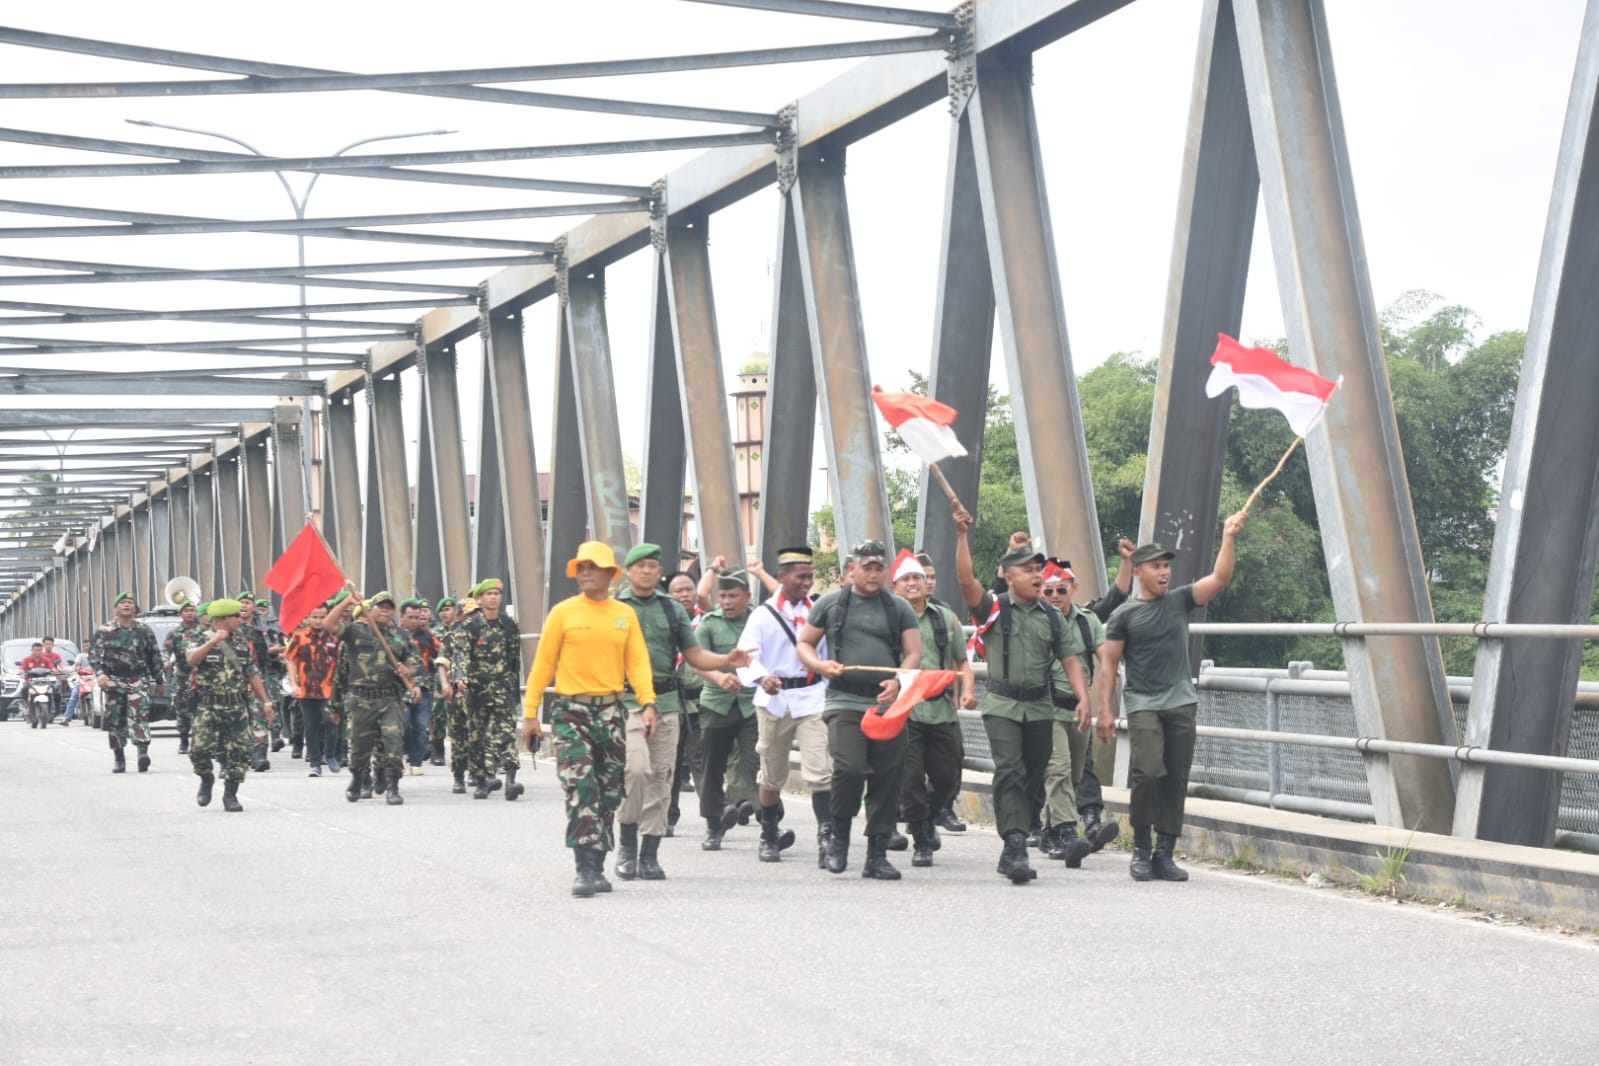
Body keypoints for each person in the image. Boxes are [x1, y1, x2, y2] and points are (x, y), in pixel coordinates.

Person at [1099, 514, 1246, 882]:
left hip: (1180, 699)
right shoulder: (1124, 615)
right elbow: (1109, 664)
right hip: (1143, 702)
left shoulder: (1180, 600)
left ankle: (1165, 852)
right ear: (1138, 572)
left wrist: (1228, 537)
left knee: (1175, 777)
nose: (1164, 572)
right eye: (1156, 566)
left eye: (1167, 566)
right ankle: (1140, 848)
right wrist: (1105, 710)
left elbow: (1220, 579)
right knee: (1148, 771)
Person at [953, 507, 1091, 885]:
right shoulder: (995, 610)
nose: (1037, 575)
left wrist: (1084, 699)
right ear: (1009, 577)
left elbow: (1071, 659)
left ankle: (1023, 830)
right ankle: (1015, 844)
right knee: (1010, 770)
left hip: (1040, 706)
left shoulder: (1051, 615)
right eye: (1028, 570)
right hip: (1003, 706)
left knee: (1033, 774)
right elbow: (966, 580)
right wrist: (962, 535)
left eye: (1038, 569)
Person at [520, 541, 657, 898]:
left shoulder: (624, 615)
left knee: (609, 790)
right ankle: (584, 869)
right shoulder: (563, 613)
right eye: (580, 567)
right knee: (581, 787)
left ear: (610, 574)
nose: (584, 573)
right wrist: (530, 714)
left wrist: (648, 703)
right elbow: (543, 666)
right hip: (571, 712)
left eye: (591, 567)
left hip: (612, 711)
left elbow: (637, 663)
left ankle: (598, 863)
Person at [613, 545, 749, 881]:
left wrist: (725, 661)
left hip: (667, 703)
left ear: (659, 572)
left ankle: (649, 853)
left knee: (661, 777)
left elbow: (694, 654)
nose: (647, 571)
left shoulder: (672, 609)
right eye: (640, 565)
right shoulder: (614, 607)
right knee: (636, 771)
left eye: (653, 566)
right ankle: (627, 845)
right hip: (626, 703)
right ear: (628, 571)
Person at [797, 540, 923, 881]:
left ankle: (877, 854)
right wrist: (821, 666)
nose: (872, 573)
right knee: (849, 768)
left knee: (887, 776)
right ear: (851, 569)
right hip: (844, 700)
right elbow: (804, 643)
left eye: (878, 567)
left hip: (888, 704)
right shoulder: (831, 604)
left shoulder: (898, 608)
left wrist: (899, 680)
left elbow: (913, 653)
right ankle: (839, 836)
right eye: (866, 566)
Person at [735, 547, 836, 866]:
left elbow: (828, 650)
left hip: (811, 698)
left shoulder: (818, 611)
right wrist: (762, 677)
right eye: (800, 576)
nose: (807, 582)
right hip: (774, 702)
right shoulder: (762, 616)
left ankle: (826, 836)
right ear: (782, 577)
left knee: (820, 772)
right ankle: (768, 831)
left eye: (810, 576)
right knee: (772, 775)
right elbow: (745, 657)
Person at [1038, 543, 1135, 862]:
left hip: (1077, 707)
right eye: (1047, 590)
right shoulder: (1035, 620)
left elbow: (1106, 657)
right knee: (1059, 768)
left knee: (1076, 774)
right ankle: (1068, 832)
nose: (1054, 596)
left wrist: (1105, 703)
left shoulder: (1086, 620)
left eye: (1060, 590)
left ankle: (1050, 830)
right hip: (1044, 707)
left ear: (1073, 589)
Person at [891, 550, 976, 868]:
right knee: (910, 779)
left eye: (918, 577)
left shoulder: (946, 619)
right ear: (895, 586)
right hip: (906, 711)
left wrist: (967, 690)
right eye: (906, 579)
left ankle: (930, 813)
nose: (914, 583)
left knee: (948, 774)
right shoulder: (891, 620)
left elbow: (962, 662)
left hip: (940, 708)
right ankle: (922, 835)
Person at [691, 569, 762, 852]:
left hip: (751, 704)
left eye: (734, 595)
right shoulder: (709, 623)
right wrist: (719, 676)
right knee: (713, 766)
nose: (728, 601)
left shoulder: (759, 622)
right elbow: (697, 662)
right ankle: (714, 824)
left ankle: (770, 822)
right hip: (717, 704)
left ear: (747, 596)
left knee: (760, 762)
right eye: (723, 596)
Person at [329, 590, 421, 806]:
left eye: (390, 608)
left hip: (389, 698)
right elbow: (329, 625)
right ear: (371, 609)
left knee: (393, 743)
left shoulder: (400, 636)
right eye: (381, 607)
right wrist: (346, 602)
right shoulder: (355, 632)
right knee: (360, 746)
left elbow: (414, 663)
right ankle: (358, 777)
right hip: (361, 699)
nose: (385, 611)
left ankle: (393, 787)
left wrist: (407, 672)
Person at [439, 579, 526, 801]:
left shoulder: (510, 625)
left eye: (496, 593)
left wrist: (514, 685)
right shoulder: (471, 627)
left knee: (506, 734)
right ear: (480, 599)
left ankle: (511, 780)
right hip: (477, 690)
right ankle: (480, 779)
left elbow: (514, 657)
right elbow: (461, 656)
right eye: (488, 594)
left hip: (502, 689)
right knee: (476, 736)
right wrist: (460, 678)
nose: (493, 597)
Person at [185, 599, 271, 812]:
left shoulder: (242, 639)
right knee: (198, 750)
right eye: (236, 617)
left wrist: (266, 701)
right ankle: (206, 778)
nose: (240, 620)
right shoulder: (199, 636)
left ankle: (230, 794)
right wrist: (213, 641)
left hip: (236, 706)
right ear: (222, 619)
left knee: (241, 751)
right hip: (209, 705)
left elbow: (251, 672)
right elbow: (192, 660)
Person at [90, 592, 164, 774]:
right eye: (122, 602)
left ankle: (142, 753)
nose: (126, 605)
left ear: (134, 608)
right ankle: (119, 757)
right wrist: (100, 675)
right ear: (116, 608)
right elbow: (94, 656)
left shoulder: (143, 630)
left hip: (137, 678)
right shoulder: (104, 631)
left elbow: (154, 656)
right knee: (116, 719)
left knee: (140, 715)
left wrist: (159, 680)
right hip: (113, 679)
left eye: (130, 602)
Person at [283, 595, 353, 777]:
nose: (318, 621)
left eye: (322, 617)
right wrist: (293, 683)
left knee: (331, 721)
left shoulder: (335, 636)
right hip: (306, 690)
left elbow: (344, 662)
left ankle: (330, 754)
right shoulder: (300, 637)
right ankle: (315, 763)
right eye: (314, 617)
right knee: (310, 726)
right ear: (308, 617)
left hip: (330, 689)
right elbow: (291, 660)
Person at [665, 571, 705, 837]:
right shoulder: (663, 623)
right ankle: (668, 816)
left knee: (701, 758)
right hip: (670, 702)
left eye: (688, 589)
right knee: (670, 762)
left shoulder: (706, 621)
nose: (684, 595)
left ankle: (715, 814)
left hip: (701, 702)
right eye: (677, 591)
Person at [234, 592, 276, 771]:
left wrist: (276, 652)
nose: (244, 606)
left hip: (258, 678)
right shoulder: (231, 629)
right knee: (239, 718)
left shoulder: (263, 630)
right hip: (235, 681)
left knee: (259, 716)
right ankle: (241, 754)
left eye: (248, 603)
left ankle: (260, 755)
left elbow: (269, 657)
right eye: (241, 603)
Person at [399, 599, 439, 778]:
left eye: (417, 617)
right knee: (404, 724)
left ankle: (416, 762)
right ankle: (403, 754)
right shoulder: (394, 636)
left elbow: (443, 655)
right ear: (401, 617)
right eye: (410, 617)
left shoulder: (428, 637)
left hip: (424, 687)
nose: (414, 621)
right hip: (401, 687)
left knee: (421, 727)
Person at [163, 602, 205, 754]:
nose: (189, 613)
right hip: (181, 674)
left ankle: (198, 740)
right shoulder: (175, 633)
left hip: (200, 674)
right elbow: (166, 650)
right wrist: (166, 660)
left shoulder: (202, 632)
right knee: (182, 708)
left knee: (199, 707)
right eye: (186, 610)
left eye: (192, 610)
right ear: (181, 614)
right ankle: (183, 739)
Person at [429, 597, 459, 766]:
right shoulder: (436, 634)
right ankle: (437, 750)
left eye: (448, 609)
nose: (445, 613)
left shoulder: (462, 630)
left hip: (460, 678)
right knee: (438, 714)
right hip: (440, 678)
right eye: (442, 610)